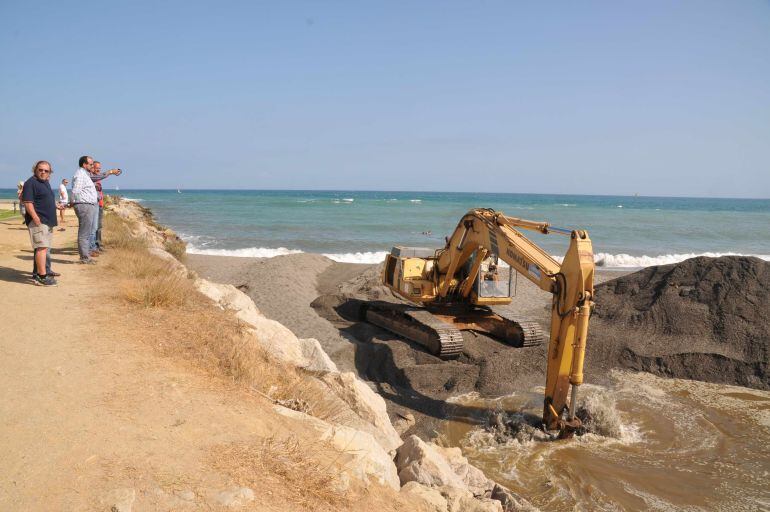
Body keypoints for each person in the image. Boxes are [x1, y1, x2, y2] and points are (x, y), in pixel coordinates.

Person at [21, 161, 62, 286]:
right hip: (39, 221)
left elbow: (46, 198)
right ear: (35, 170)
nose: (43, 172)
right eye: (40, 170)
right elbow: (28, 202)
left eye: (46, 170)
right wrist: (35, 217)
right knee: (41, 248)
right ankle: (42, 277)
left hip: (47, 221)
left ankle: (38, 273)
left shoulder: (45, 182)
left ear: (49, 172)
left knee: (43, 248)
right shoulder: (30, 183)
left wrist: (56, 205)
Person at [89, 161, 121, 253]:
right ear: (92, 168)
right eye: (96, 167)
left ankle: (97, 244)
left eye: (99, 168)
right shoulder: (92, 177)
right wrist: (111, 172)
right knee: (95, 227)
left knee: (98, 227)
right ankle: (94, 246)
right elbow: (102, 176)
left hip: (100, 204)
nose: (98, 169)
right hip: (95, 205)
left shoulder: (97, 178)